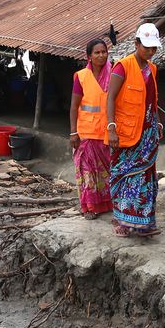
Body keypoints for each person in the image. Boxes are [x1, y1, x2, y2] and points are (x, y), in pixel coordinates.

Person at [106, 23, 163, 237]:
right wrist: (111, 128)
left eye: (153, 48)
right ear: (136, 43)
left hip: (147, 132)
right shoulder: (122, 66)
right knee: (124, 175)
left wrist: (156, 123)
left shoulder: (153, 68)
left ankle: (144, 223)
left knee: (146, 177)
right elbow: (110, 98)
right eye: (146, 47)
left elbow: (152, 100)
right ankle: (122, 220)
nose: (150, 51)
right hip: (125, 132)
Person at [69, 39, 113, 219]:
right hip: (85, 133)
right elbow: (74, 106)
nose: (101, 55)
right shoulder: (80, 76)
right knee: (87, 172)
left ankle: (105, 204)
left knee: (105, 173)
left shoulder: (114, 74)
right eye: (97, 52)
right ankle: (88, 207)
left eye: (104, 52)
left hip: (106, 133)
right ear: (89, 56)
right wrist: (73, 132)